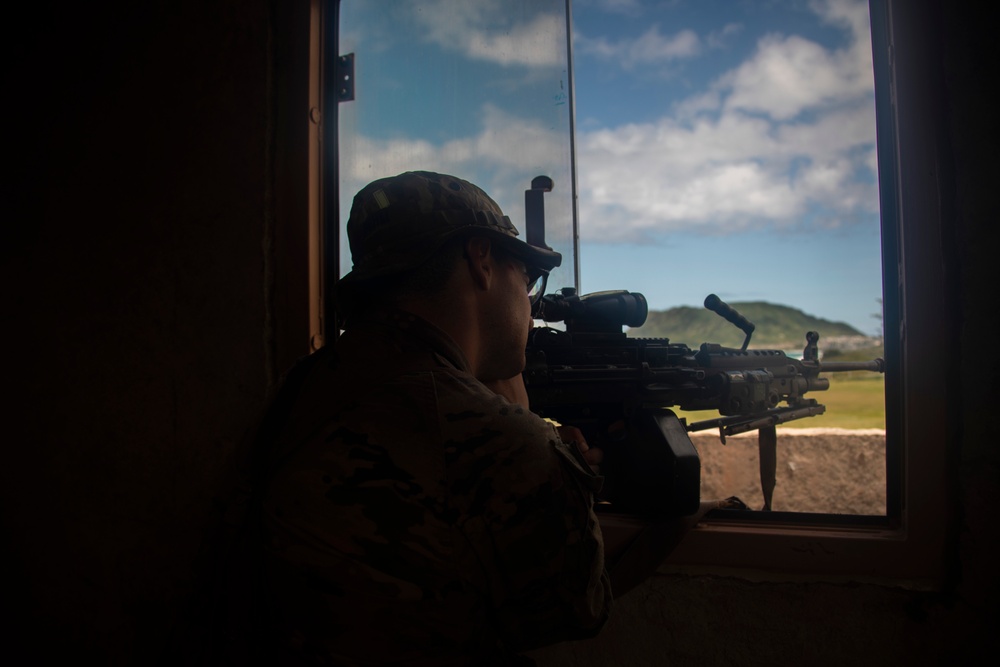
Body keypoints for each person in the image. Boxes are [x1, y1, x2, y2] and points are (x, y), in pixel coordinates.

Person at [256, 171, 612, 665]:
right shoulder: (499, 439)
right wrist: (538, 440)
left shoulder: (302, 384)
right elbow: (577, 610)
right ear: (480, 259)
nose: (531, 309)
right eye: (527, 279)